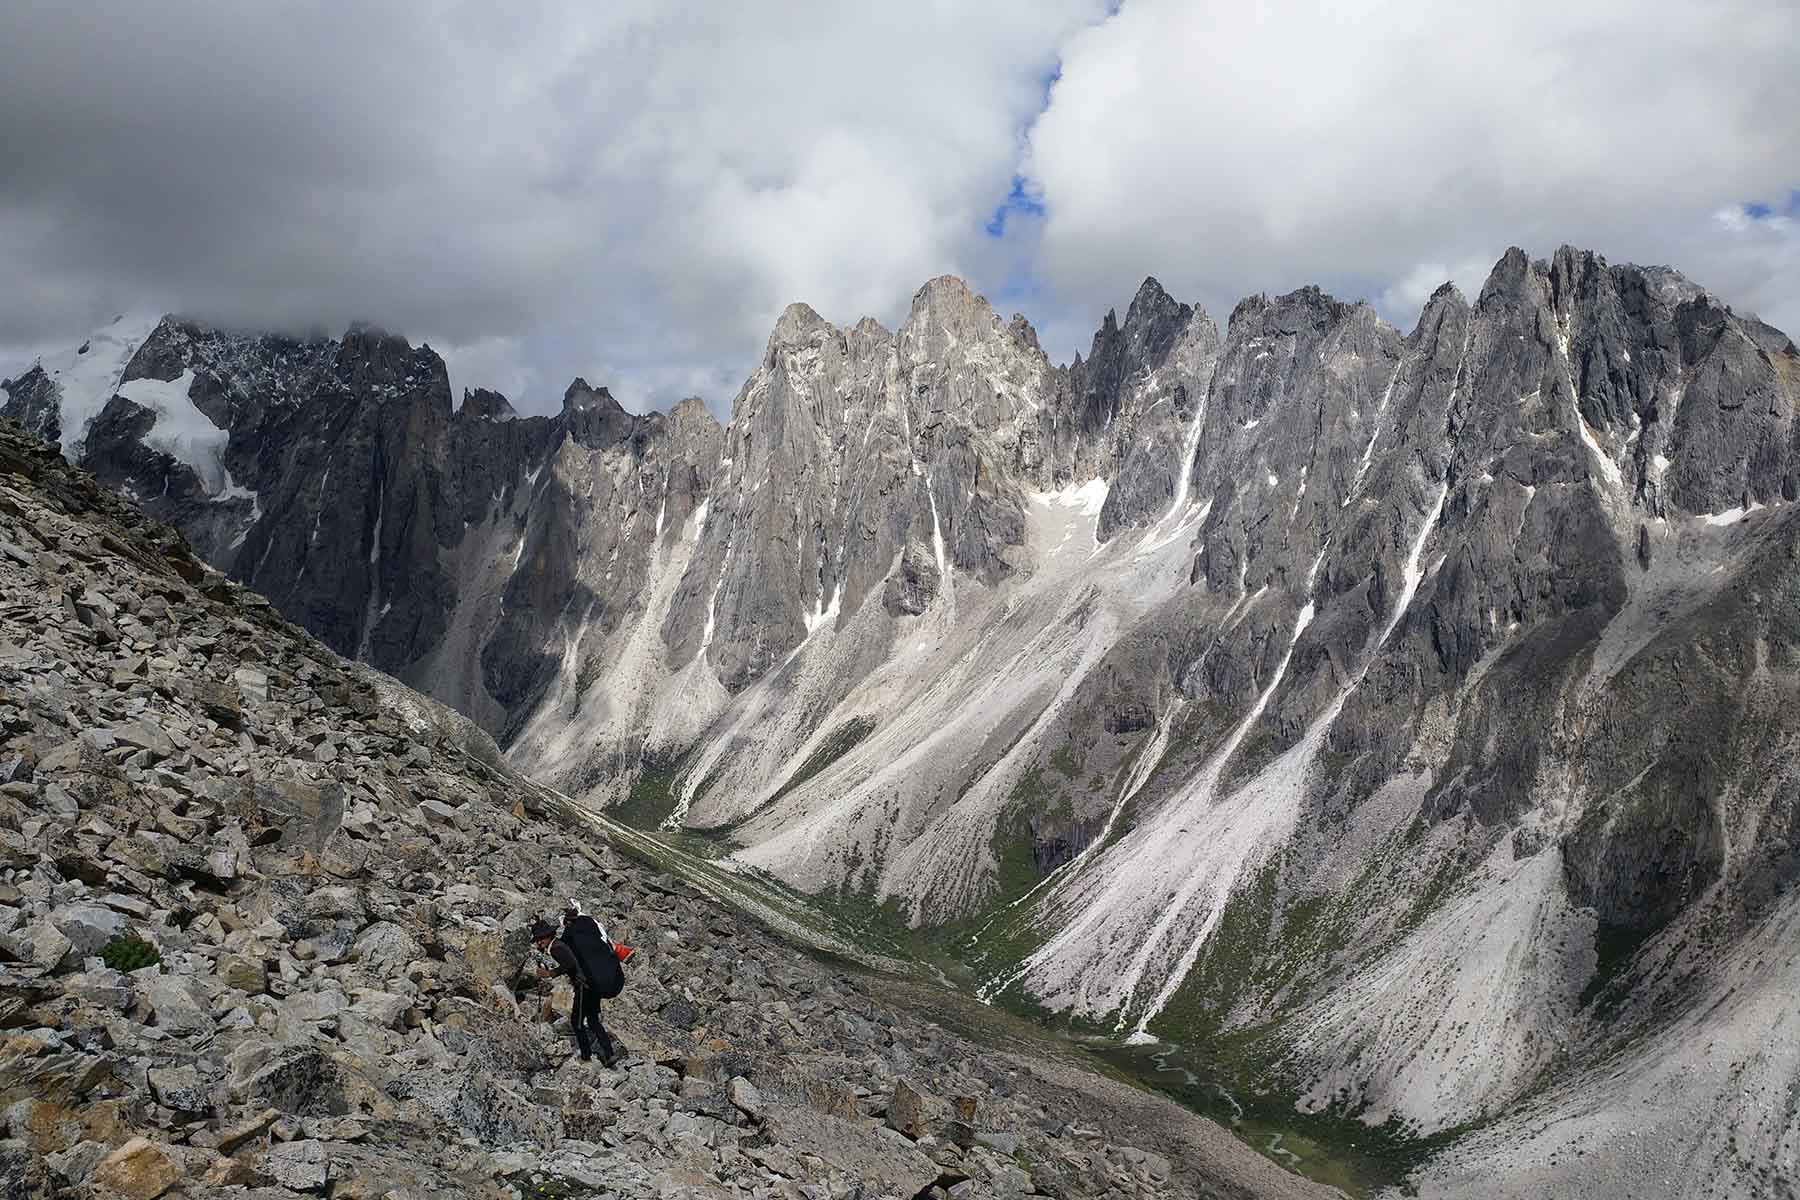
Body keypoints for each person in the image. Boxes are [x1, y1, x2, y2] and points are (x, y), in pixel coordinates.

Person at [530, 915, 619, 1067]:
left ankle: (586, 1056)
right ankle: (609, 1054)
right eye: (537, 939)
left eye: (541, 938)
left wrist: (550, 974)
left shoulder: (557, 948)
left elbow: (569, 963)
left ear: (549, 935)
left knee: (576, 1022)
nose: (539, 942)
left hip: (584, 987)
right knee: (593, 1021)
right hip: (594, 984)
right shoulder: (560, 944)